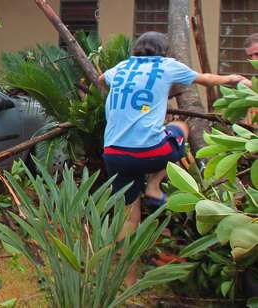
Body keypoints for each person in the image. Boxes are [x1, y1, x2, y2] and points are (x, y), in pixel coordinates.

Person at [98, 32, 250, 233]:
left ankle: (123, 262)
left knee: (128, 216)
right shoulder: (166, 65)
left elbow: (101, 79)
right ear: (164, 51)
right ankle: (153, 185)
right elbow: (206, 79)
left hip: (114, 155)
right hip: (151, 154)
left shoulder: (121, 67)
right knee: (182, 126)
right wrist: (233, 78)